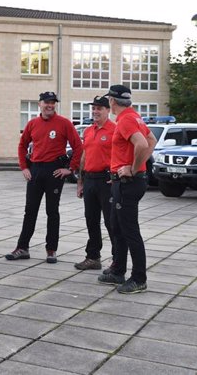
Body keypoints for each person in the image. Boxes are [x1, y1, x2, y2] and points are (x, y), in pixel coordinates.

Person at [6, 91, 82, 263]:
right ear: (39, 104)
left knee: (52, 211)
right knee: (30, 211)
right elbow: (22, 145)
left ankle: (51, 249)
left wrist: (70, 168)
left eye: (53, 102)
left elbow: (78, 147)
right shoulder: (32, 124)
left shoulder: (64, 123)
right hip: (36, 170)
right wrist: (24, 167)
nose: (50, 105)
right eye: (46, 102)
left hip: (55, 171)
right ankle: (22, 248)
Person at [98, 85, 156, 294]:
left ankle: (139, 278)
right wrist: (136, 166)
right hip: (121, 182)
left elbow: (141, 144)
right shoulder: (135, 117)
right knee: (116, 225)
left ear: (112, 101)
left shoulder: (125, 120)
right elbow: (152, 140)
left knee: (129, 230)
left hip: (127, 183)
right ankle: (118, 270)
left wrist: (132, 168)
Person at [75, 95, 116, 270]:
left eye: (99, 108)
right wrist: (80, 180)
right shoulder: (88, 130)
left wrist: (116, 177)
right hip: (90, 179)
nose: (95, 111)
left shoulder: (115, 130)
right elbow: (85, 156)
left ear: (108, 110)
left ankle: (117, 259)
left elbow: (121, 154)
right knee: (91, 220)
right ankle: (93, 257)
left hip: (106, 181)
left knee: (111, 221)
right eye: (94, 108)